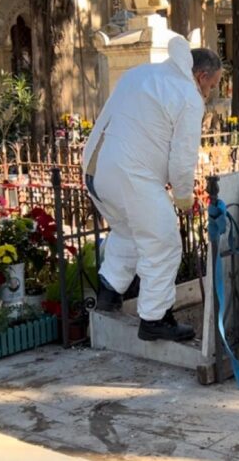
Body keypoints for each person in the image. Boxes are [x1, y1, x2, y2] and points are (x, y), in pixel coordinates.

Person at [82, 37, 222, 342]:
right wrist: (184, 196)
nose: (209, 94)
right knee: (163, 243)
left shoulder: (140, 73)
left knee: (128, 232)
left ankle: (108, 292)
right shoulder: (188, 95)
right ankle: (155, 319)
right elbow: (183, 156)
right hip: (133, 176)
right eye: (212, 86)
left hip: (96, 170)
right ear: (201, 76)